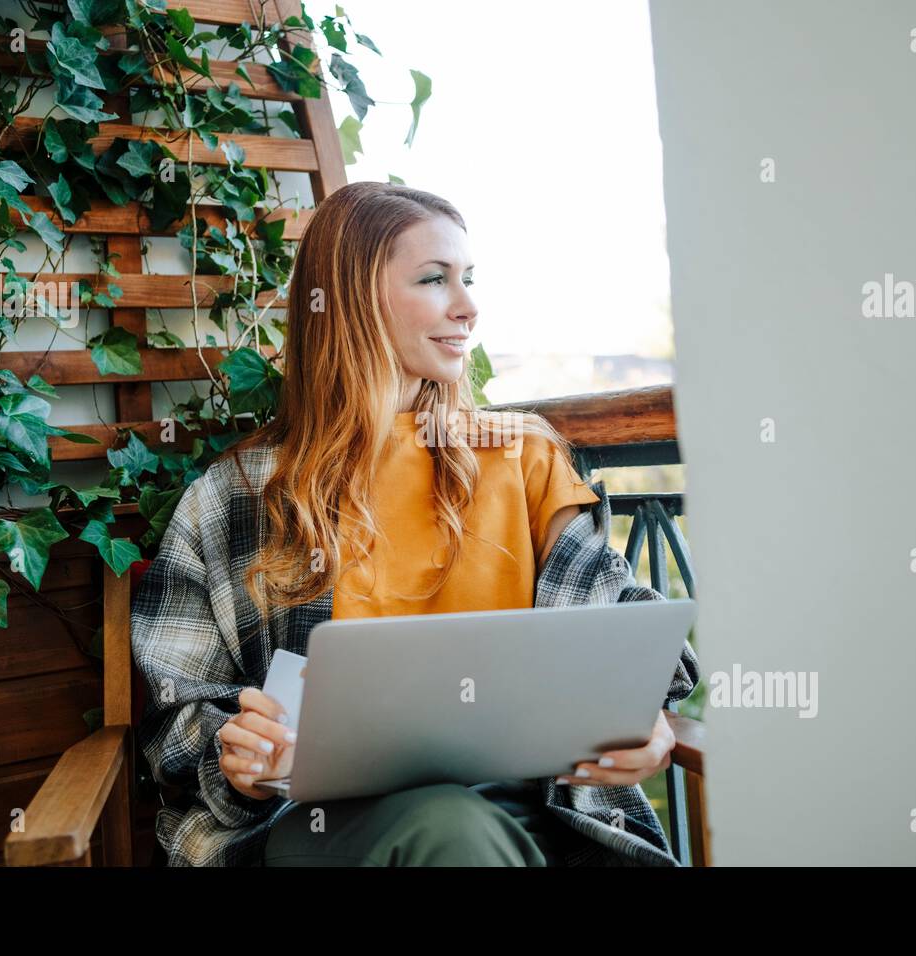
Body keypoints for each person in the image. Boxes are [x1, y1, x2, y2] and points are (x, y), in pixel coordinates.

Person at [130, 181, 700, 867]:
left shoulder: (526, 460)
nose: (468, 307)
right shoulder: (233, 498)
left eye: (469, 279)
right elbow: (175, 716)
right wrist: (237, 755)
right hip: (317, 830)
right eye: (434, 280)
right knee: (447, 826)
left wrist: (649, 726)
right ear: (351, 302)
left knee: (463, 829)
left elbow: (628, 637)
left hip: (538, 816)